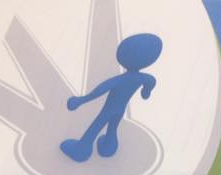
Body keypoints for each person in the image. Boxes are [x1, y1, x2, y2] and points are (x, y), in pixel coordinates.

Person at [60, 33, 163, 162]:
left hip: (108, 110)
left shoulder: (120, 80)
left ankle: (81, 150)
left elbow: (100, 90)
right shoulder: (145, 78)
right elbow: (149, 87)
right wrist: (146, 92)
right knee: (113, 127)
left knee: (95, 128)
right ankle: (108, 147)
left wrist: (81, 100)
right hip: (120, 110)